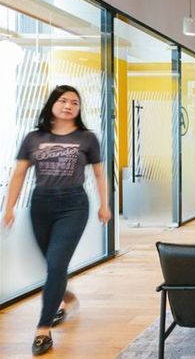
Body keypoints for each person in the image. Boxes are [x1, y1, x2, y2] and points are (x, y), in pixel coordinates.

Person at [2, 85, 111, 356]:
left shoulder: (87, 138)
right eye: (63, 100)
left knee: (56, 263)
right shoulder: (33, 138)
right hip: (41, 205)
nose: (68, 106)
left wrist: (104, 205)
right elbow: (19, 174)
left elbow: (99, 174)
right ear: (52, 104)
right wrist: (10, 207)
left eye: (74, 102)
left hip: (73, 205)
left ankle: (42, 329)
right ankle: (68, 297)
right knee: (53, 266)